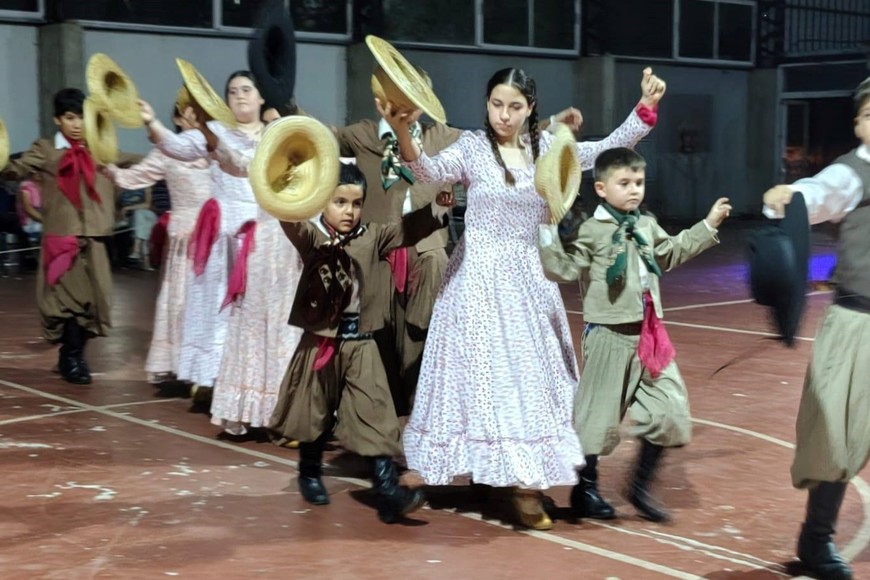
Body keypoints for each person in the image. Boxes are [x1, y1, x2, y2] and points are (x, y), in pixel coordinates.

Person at [382, 66, 665, 530]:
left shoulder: (549, 148)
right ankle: (495, 472)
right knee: (483, 379)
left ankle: (523, 482)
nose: (504, 115)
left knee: (529, 381)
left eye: (515, 106)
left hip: (531, 279)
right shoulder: (472, 147)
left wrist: (645, 108)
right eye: (497, 105)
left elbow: (604, 151)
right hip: (475, 280)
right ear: (487, 104)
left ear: (531, 108)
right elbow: (426, 171)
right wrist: (401, 129)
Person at [333, 67, 585, 416]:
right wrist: (283, 116)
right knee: (376, 329)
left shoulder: (447, 136)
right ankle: (375, 410)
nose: (410, 103)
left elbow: (511, 135)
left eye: (417, 95)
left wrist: (552, 122)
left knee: (421, 331)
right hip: (380, 246)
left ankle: (418, 406)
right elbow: (325, 136)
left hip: (428, 246)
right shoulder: (362, 133)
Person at [538, 147, 730, 522]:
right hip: (608, 336)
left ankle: (639, 487)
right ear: (601, 188)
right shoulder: (591, 231)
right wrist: (547, 230)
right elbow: (562, 268)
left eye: (638, 182)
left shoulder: (646, 225)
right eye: (623, 183)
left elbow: (669, 253)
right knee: (595, 422)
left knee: (670, 410)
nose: (633, 190)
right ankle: (585, 490)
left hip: (649, 334)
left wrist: (708, 226)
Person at [270, 163, 453, 523]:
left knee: (376, 413)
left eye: (356, 204)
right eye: (339, 202)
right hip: (320, 343)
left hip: (362, 342)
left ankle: (388, 493)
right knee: (313, 411)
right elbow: (290, 223)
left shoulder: (372, 236)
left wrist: (437, 210)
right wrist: (283, 189)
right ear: (322, 203)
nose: (349, 212)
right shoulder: (312, 237)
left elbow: (405, 230)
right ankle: (309, 472)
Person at [142, 70, 304, 434]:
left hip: (264, 235)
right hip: (224, 234)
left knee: (258, 317)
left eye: (247, 90)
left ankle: (265, 392)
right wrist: (151, 122)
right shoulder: (214, 130)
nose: (240, 97)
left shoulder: (275, 134)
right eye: (233, 92)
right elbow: (176, 147)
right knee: (220, 308)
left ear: (261, 97)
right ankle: (216, 381)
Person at [760, 76, 870, 580]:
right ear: (859, 124)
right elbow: (814, 194)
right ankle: (816, 540)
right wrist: (787, 195)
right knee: (838, 436)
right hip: (858, 323)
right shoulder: (853, 174)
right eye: (869, 114)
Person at [0, 88, 141, 384]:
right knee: (70, 302)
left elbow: (131, 160)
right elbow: (17, 168)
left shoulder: (99, 148)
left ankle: (71, 352)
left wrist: (173, 156)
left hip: (97, 238)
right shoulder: (46, 148)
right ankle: (73, 357)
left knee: (95, 301)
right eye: (70, 117)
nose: (76, 124)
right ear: (57, 120)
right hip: (62, 239)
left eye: (81, 118)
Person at [103, 97, 212, 383]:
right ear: (177, 118)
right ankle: (184, 364)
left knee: (213, 299)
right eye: (189, 108)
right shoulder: (166, 151)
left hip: (217, 234)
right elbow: (133, 177)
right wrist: (108, 166)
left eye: (200, 108)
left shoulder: (217, 147)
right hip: (184, 236)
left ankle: (211, 365)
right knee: (183, 297)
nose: (196, 113)